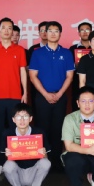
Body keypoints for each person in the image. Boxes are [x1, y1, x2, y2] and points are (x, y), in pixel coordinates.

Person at [0, 18, 28, 176]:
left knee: (15, 130)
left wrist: (25, 92)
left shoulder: (20, 50)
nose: (7, 31)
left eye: (9, 28)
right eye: (4, 28)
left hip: (15, 96)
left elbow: (23, 72)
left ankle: (15, 161)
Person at [29, 21, 75, 169]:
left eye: (56, 31)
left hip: (60, 97)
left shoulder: (66, 53)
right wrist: (45, 94)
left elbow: (69, 76)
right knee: (42, 129)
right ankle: (42, 161)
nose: (53, 34)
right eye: (50, 31)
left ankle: (56, 162)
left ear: (60, 34)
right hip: (42, 97)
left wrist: (60, 94)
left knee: (58, 129)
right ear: (45, 33)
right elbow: (33, 76)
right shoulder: (37, 53)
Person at [2, 103, 52, 186]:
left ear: (30, 118)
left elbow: (46, 158)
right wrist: (7, 155)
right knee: (7, 165)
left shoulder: (39, 132)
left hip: (33, 172)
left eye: (25, 116)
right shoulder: (7, 133)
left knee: (46, 163)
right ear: (13, 119)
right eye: (18, 117)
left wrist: (43, 153)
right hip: (18, 174)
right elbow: (6, 159)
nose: (22, 120)